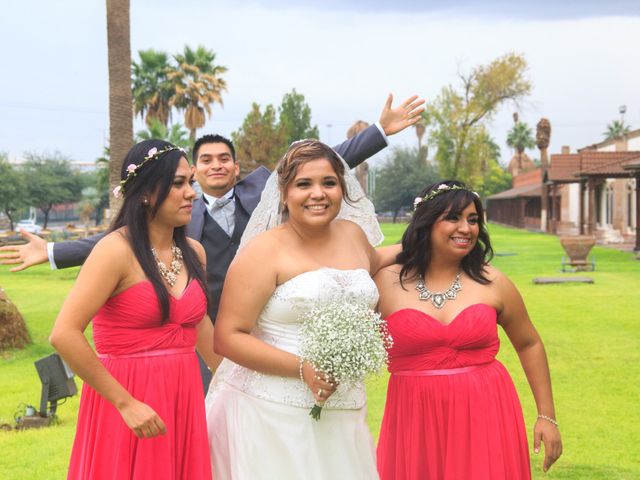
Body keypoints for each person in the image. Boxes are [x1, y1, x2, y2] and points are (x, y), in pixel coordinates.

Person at [0, 94, 425, 390]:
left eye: (224, 158)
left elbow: (319, 166)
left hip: (263, 330)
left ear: (237, 166)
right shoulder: (179, 215)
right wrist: (54, 250)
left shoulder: (262, 191)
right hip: (196, 330)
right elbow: (117, 242)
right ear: (195, 170)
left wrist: (378, 134)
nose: (216, 165)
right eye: (205, 161)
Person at [205, 140, 398, 479]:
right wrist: (301, 368)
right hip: (272, 414)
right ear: (283, 193)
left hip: (345, 409)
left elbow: (378, 260)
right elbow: (227, 338)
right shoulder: (263, 251)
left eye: (328, 182)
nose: (318, 194)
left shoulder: (353, 235)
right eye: (303, 184)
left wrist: (432, 238)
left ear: (343, 187)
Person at [49, 140, 219, 479]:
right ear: (144, 192)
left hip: (184, 399)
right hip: (126, 401)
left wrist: (240, 387)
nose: (191, 193)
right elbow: (64, 334)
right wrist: (126, 403)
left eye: (191, 183)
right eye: (178, 183)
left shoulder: (194, 252)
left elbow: (200, 332)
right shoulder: (114, 251)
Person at [374, 180, 563, 480]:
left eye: (473, 220)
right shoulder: (384, 282)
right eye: (453, 217)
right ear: (425, 222)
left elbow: (529, 344)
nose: (466, 228)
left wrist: (546, 416)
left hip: (486, 413)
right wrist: (409, 248)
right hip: (415, 418)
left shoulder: (494, 282)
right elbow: (350, 266)